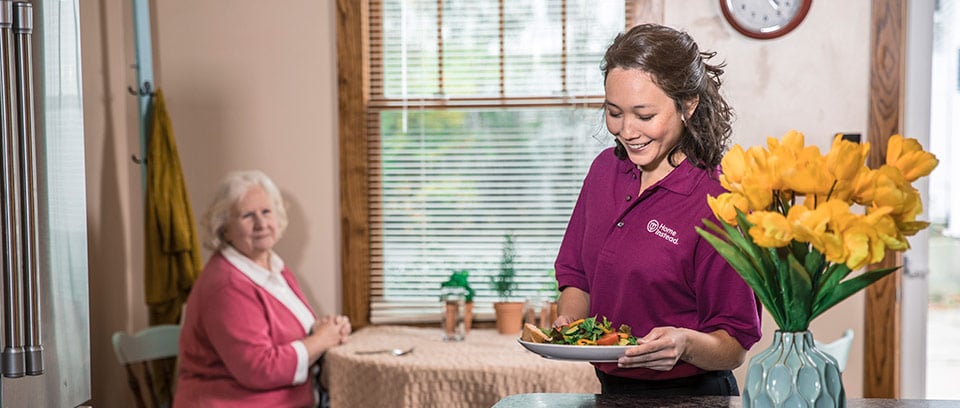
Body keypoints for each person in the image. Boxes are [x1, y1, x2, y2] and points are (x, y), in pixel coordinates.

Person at [553, 23, 762, 396]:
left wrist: (684, 344)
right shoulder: (604, 171)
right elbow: (577, 277)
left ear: (688, 106)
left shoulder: (720, 197)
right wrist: (569, 324)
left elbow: (734, 345)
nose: (626, 130)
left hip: (694, 394)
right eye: (614, 112)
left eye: (644, 116)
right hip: (610, 389)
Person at [175, 170, 351, 407]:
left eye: (266, 212)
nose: (261, 224)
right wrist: (320, 340)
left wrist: (324, 330)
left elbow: (286, 339)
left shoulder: (274, 268)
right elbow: (259, 369)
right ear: (224, 228)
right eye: (247, 215)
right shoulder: (226, 285)